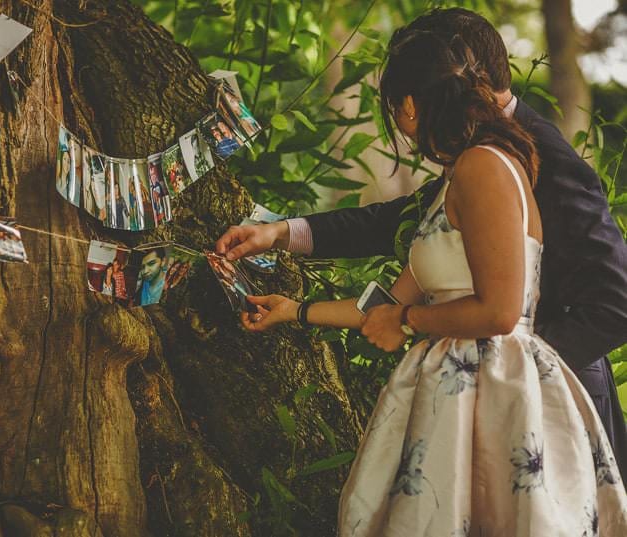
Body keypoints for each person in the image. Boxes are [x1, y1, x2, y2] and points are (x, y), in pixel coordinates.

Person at [239, 15, 627, 535]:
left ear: (418, 98)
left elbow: (603, 302)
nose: (398, 119)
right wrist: (293, 299)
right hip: (460, 394)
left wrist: (516, 378)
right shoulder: (469, 163)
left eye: (398, 100)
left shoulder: (506, 161)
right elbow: (395, 254)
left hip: (524, 397)